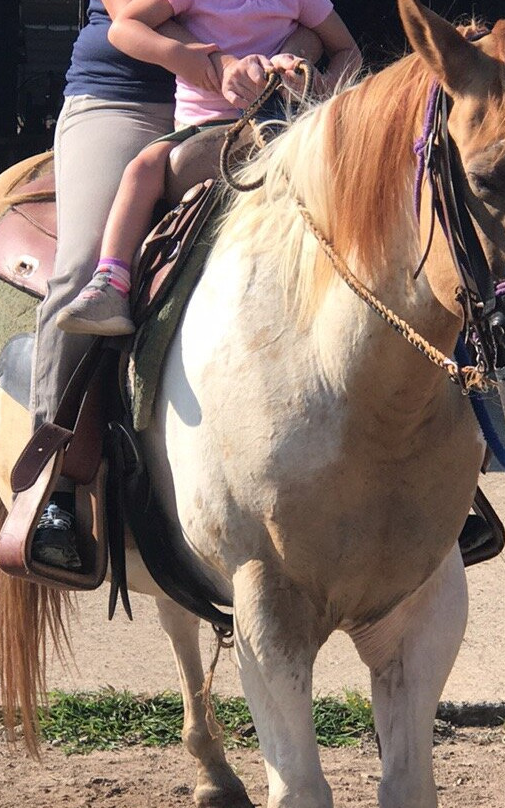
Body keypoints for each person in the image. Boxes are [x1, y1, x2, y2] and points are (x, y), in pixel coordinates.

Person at [29, 1, 342, 568]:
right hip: (124, 94)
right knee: (81, 265)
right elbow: (132, 17)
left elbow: (326, 32)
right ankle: (56, 488)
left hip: (261, 104)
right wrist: (221, 60)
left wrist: (298, 59)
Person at [53, 0, 360, 337]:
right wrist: (194, 59)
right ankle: (111, 279)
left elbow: (346, 48)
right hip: (200, 125)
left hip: (280, 125)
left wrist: (315, 83)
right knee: (143, 169)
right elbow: (124, 26)